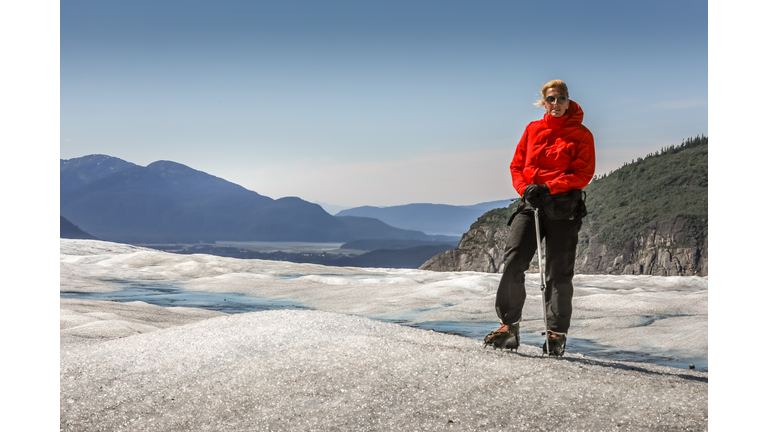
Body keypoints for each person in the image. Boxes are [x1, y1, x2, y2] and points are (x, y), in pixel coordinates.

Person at [484, 79, 595, 356]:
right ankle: (508, 326)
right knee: (514, 261)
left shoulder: (581, 134)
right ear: (543, 103)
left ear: (569, 101)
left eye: (560, 99)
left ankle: (556, 333)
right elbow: (516, 165)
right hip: (531, 203)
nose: (555, 104)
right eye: (550, 99)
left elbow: (583, 174)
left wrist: (549, 187)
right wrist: (525, 189)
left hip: (563, 207)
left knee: (558, 271)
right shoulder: (532, 129)